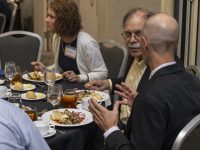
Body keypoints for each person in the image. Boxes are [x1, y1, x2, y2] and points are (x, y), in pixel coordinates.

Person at [88, 13, 200, 150]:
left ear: (144, 42)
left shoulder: (149, 98)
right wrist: (139, 104)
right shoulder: (194, 81)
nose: (132, 40)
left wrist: (110, 129)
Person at [32, 0, 107, 83]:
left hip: (88, 90)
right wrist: (45, 69)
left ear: (64, 20)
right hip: (68, 88)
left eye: (51, 17)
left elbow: (103, 74)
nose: (46, 20)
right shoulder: (57, 37)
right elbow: (60, 69)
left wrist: (79, 78)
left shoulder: (87, 43)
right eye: (47, 15)